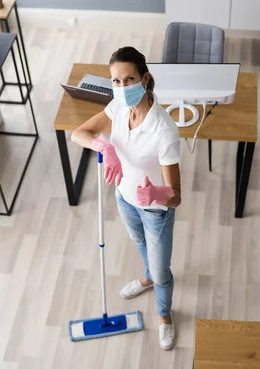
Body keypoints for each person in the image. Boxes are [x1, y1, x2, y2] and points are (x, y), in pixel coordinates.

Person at [71, 46, 181, 350]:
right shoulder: (118, 108)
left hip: (156, 211)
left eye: (128, 79)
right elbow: (78, 133)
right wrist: (104, 148)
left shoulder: (164, 131)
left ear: (145, 79)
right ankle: (147, 279)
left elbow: (176, 197)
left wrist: (157, 193)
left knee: (162, 271)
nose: (121, 87)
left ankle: (164, 315)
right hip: (124, 199)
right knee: (141, 245)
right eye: (115, 81)